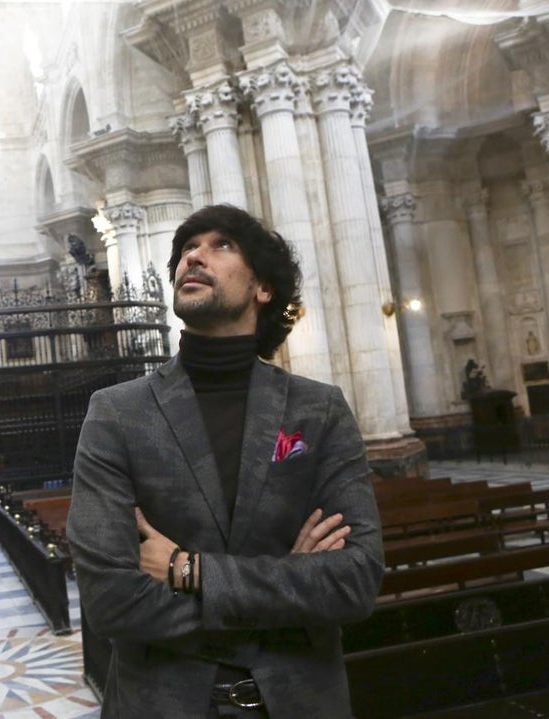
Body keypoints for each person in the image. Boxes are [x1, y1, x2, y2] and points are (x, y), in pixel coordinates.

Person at [67, 205, 384, 718]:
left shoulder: (318, 408)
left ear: (263, 288)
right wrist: (288, 586)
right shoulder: (118, 412)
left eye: (221, 245)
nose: (194, 255)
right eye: (188, 248)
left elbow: (355, 580)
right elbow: (109, 599)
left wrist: (189, 570)